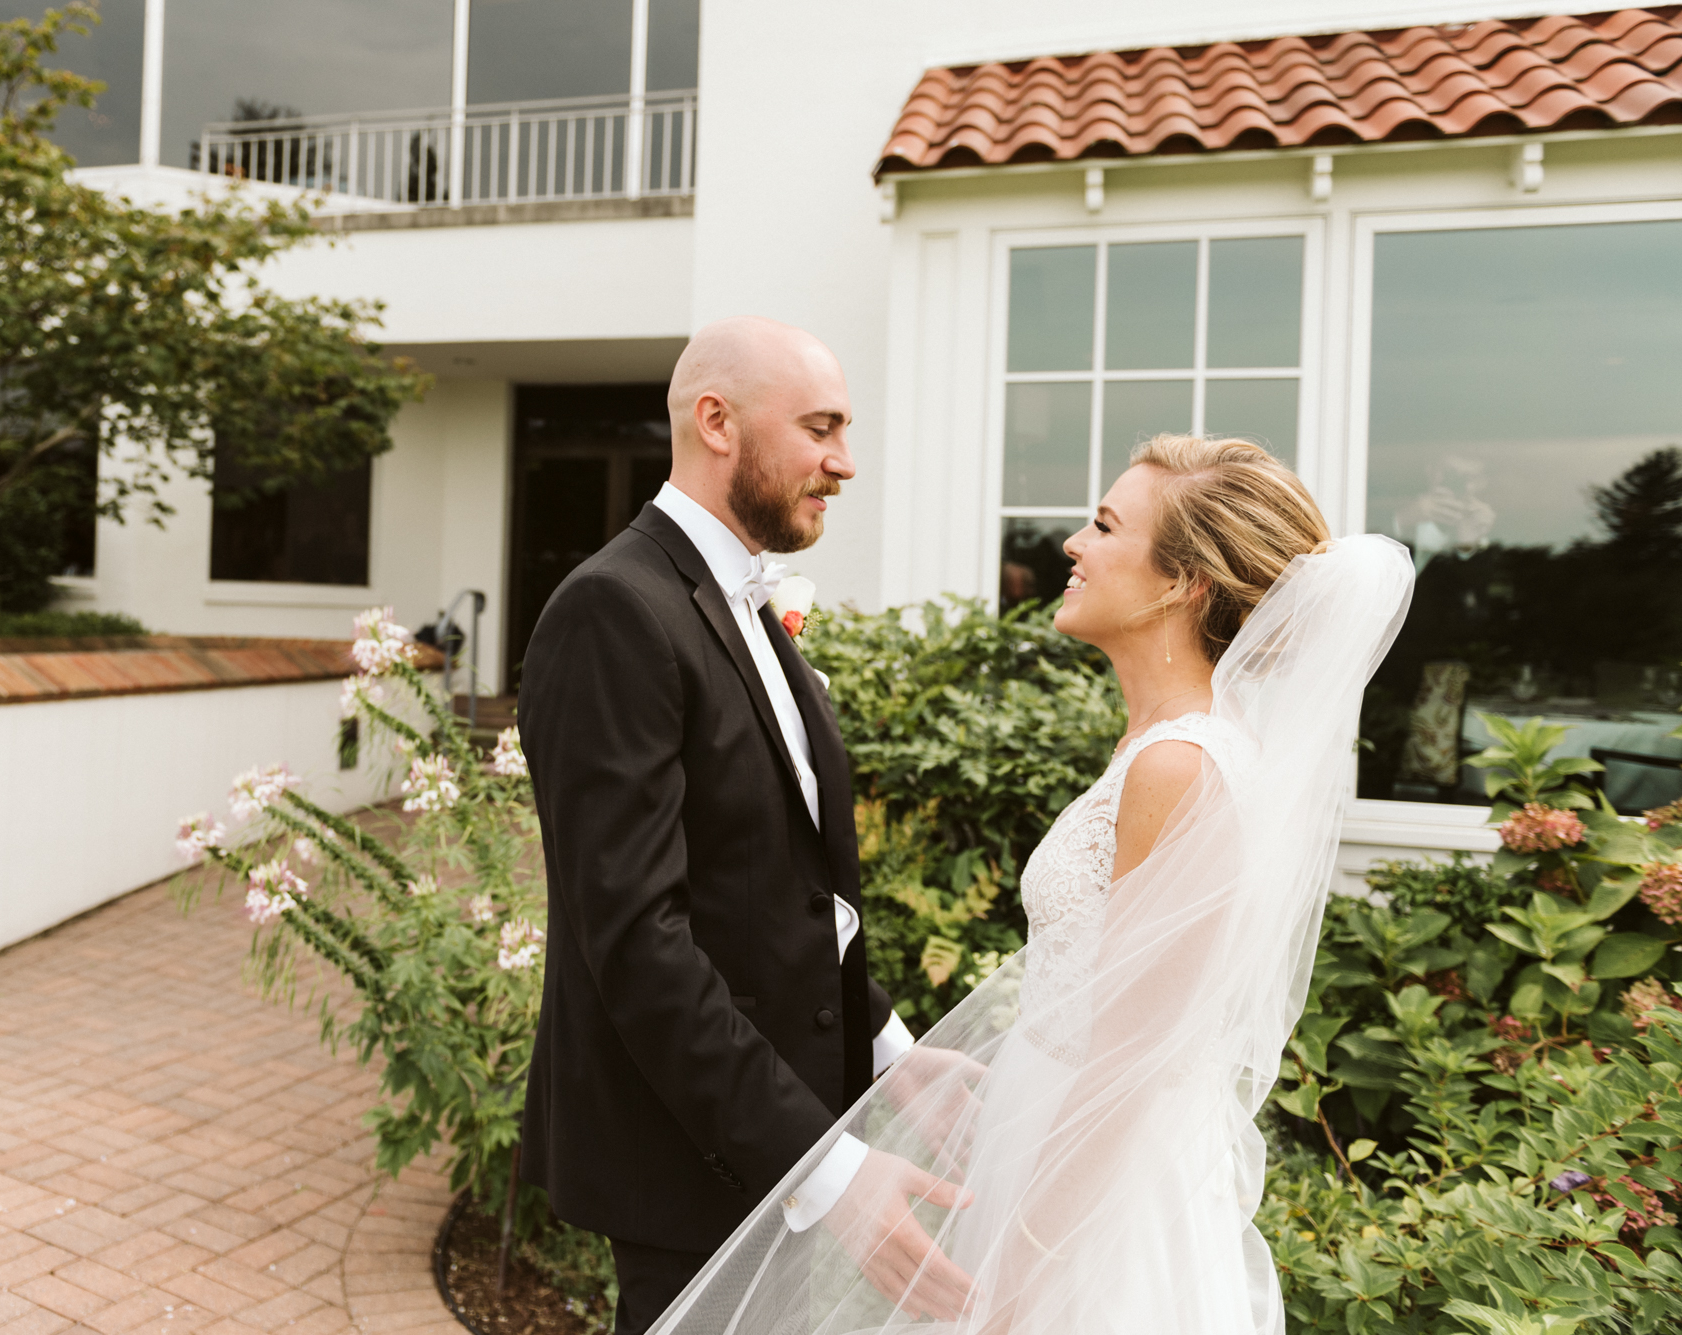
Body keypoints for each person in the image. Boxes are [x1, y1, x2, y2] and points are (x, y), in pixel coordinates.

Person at [647, 436, 1415, 1335]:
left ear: (1182, 584)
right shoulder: (1166, 746)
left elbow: (1126, 1076)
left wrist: (1021, 1279)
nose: (1071, 546)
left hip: (1103, 1216)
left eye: (1103, 525)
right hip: (1058, 1159)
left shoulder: (1180, 765)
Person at [517, 317, 974, 1335]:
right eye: (820, 428)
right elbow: (637, 942)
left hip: (771, 1136)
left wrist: (891, 1054)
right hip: (690, 1159)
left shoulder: (743, 603)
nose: (843, 462)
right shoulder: (613, 610)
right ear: (715, 421)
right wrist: (827, 1170)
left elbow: (775, 889)